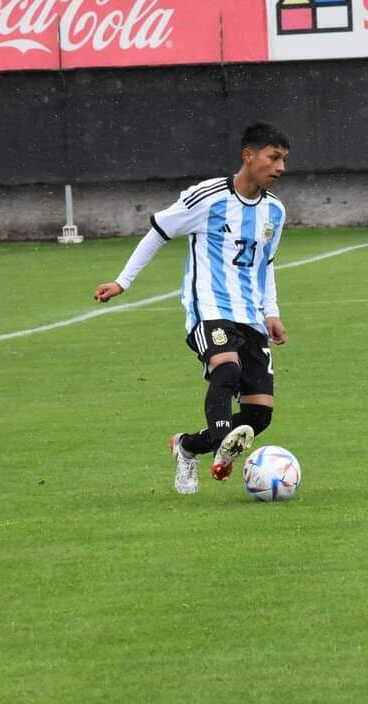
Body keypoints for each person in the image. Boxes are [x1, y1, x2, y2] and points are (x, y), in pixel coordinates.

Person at [93, 122, 290, 495]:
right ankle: (221, 449)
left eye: (284, 160)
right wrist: (123, 281)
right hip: (209, 307)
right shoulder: (208, 197)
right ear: (249, 156)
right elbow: (159, 231)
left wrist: (272, 312)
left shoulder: (275, 212)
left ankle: (187, 446)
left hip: (250, 315)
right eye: (273, 157)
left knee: (259, 414)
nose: (280, 167)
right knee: (225, 368)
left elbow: (266, 265)